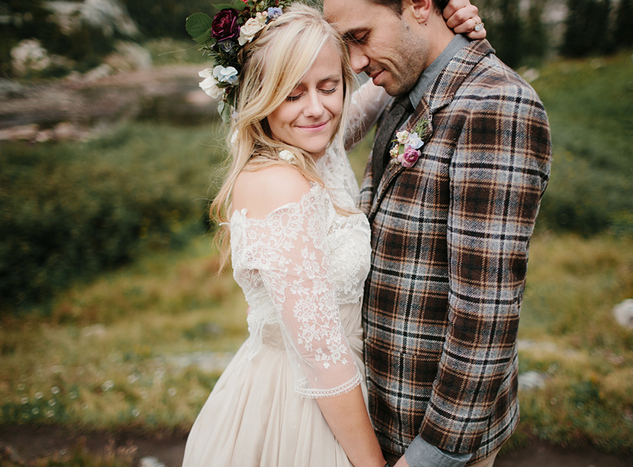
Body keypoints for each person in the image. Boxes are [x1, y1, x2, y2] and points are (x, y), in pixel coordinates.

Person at [181, 2, 485, 466]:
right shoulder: (278, 184)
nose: (317, 109)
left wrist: (449, 36)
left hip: (342, 396)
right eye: (292, 94)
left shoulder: (313, 147)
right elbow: (323, 361)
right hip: (299, 406)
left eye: (329, 86)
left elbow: (384, 89)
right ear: (260, 98)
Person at [323, 1, 553, 466]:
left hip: (426, 432)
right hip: (378, 413)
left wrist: (433, 454)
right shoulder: (406, 84)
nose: (355, 63)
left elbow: (485, 310)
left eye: (361, 35)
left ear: (420, 5)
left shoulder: (496, 104)